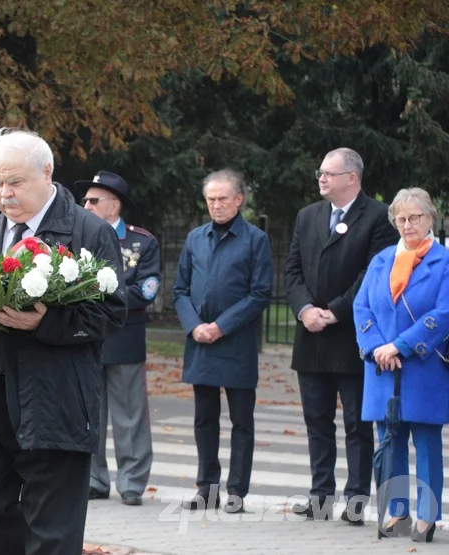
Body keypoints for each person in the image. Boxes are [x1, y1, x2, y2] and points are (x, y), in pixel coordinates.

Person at [0, 128, 127, 555]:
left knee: (54, 528)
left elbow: (111, 312)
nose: (5, 193)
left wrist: (43, 322)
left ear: (47, 172)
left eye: (16, 182)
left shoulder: (88, 231)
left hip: (54, 398)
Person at [285, 147, 398, 523]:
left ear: (352, 178)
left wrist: (336, 310)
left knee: (356, 424)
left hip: (352, 336)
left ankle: (355, 500)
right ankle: (320, 496)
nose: (321, 178)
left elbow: (371, 274)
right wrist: (305, 310)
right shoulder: (307, 215)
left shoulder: (379, 217)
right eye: (320, 172)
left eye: (329, 173)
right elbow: (293, 271)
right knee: (316, 422)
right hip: (311, 336)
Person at [173, 169, 273, 513]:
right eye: (210, 199)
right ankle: (207, 487)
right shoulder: (195, 238)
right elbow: (180, 290)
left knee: (242, 420)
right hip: (200, 339)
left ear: (239, 200)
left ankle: (236, 491)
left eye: (222, 198)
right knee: (204, 418)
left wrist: (221, 326)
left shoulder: (255, 239)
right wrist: (194, 325)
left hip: (236, 342)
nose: (216, 205)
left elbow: (260, 294)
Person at [354, 188, 449, 543]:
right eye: (402, 219)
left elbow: (444, 313)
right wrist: (378, 347)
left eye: (416, 218)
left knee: (425, 442)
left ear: (430, 219)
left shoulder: (444, 263)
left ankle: (427, 516)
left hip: (424, 367)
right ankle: (397, 512)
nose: (408, 225)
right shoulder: (381, 260)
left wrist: (400, 345)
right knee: (389, 441)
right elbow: (361, 308)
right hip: (383, 367)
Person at [76, 170, 159, 507]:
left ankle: (132, 482)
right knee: (89, 414)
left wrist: (98, 293)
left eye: (93, 200)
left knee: (129, 415)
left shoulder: (142, 242)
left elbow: (146, 290)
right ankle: (94, 479)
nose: (86, 205)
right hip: (86, 337)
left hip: (124, 337)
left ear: (114, 204)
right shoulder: (78, 237)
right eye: (85, 200)